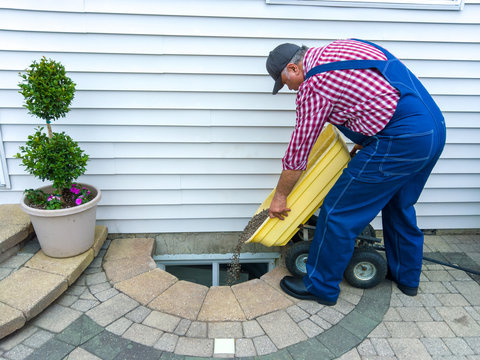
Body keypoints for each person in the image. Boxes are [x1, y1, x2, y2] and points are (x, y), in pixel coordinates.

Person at [265, 39, 446, 306]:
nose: (290, 88)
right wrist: (366, 135)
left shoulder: (314, 85)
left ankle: (320, 286)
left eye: (285, 82)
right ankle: (406, 278)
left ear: (293, 68)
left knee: (338, 211)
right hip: (432, 127)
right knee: (399, 205)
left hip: (400, 139)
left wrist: (280, 196)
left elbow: (298, 152)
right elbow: (381, 90)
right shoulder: (343, 48)